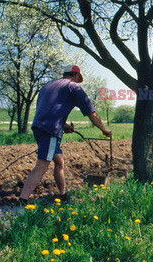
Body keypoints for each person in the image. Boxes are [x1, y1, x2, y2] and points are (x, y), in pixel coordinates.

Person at [18, 65, 112, 203]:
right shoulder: (73, 87)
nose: (77, 81)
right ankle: (22, 200)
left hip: (39, 126)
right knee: (42, 165)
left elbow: (48, 110)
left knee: (59, 161)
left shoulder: (47, 86)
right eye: (77, 79)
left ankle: (63, 196)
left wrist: (65, 125)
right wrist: (104, 130)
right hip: (50, 130)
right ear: (75, 76)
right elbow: (91, 112)